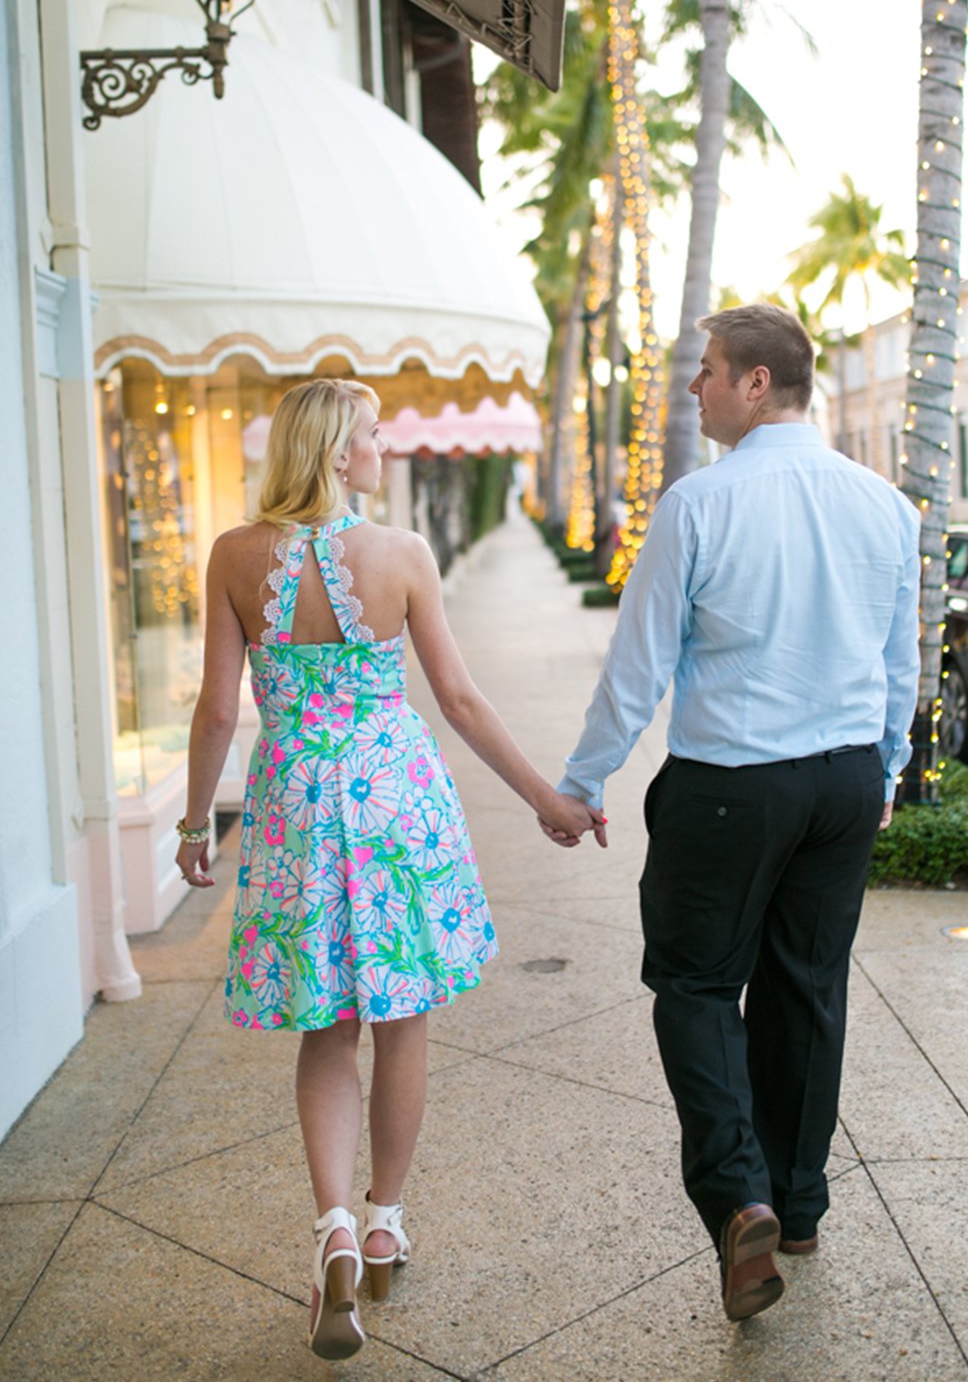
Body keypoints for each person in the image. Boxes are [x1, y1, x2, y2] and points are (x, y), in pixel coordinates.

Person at [175, 378, 602, 1362]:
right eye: (370, 436)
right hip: (393, 802)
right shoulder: (399, 556)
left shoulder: (236, 557)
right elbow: (456, 697)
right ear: (334, 452)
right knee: (401, 1021)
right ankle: (381, 1221)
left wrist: (198, 823)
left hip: (292, 806)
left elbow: (212, 709)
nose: (382, 450)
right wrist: (546, 799)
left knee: (327, 1030)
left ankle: (328, 1225)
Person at [549, 305, 920, 1322]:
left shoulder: (698, 503)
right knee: (806, 988)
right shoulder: (886, 504)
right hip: (842, 782)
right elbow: (901, 665)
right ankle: (797, 1208)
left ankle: (739, 1200)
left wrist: (582, 783)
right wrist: (882, 773)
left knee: (698, 986)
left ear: (757, 383)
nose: (694, 389)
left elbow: (640, 666)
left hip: (728, 789)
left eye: (706, 371)